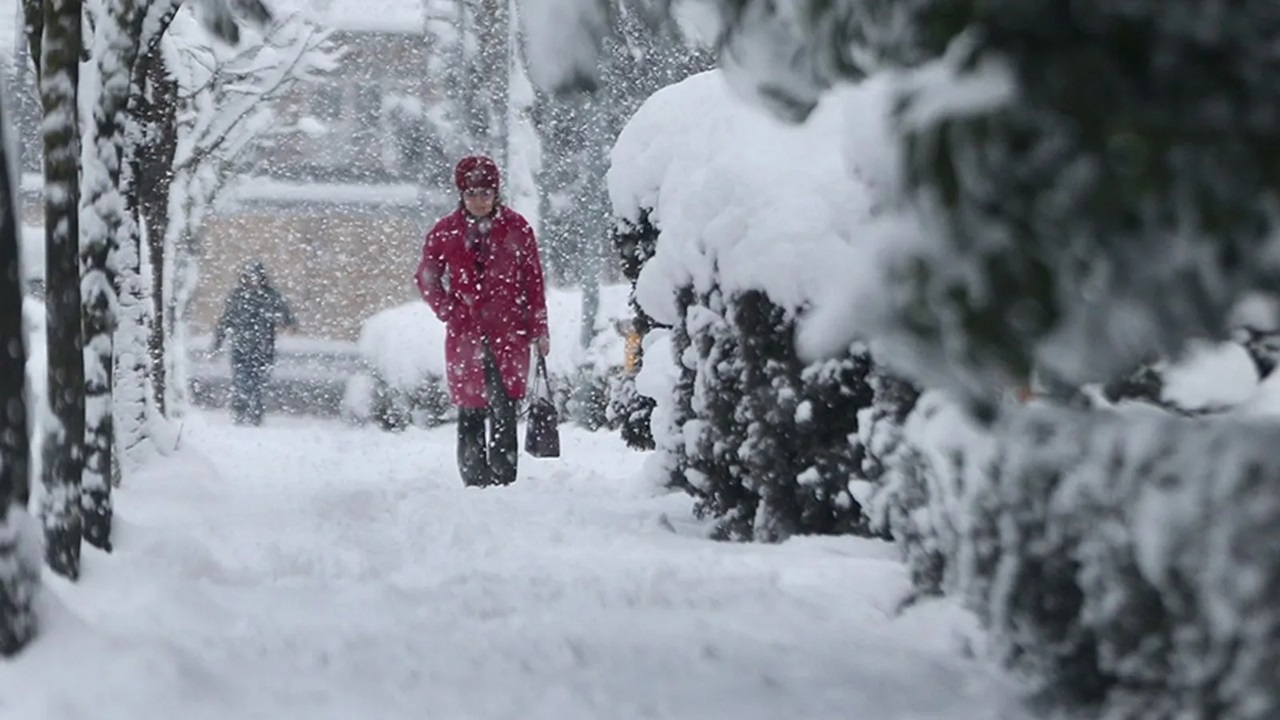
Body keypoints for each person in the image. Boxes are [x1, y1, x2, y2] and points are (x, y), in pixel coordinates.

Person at [415, 155, 550, 487]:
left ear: (496, 194)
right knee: (471, 407)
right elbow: (427, 277)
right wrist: (448, 310)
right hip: (466, 334)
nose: (479, 201)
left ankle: (504, 477)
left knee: (505, 406)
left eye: (485, 193)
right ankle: (474, 478)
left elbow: (533, 282)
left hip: (510, 331)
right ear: (461, 194)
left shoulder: (517, 229)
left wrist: (539, 327)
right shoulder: (445, 232)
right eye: (472, 193)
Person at [211, 260, 297, 425]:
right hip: (241, 347)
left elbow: (285, 316)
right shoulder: (237, 297)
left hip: (263, 348)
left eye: (256, 276)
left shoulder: (271, 296)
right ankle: (240, 411)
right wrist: (217, 342)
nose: (253, 280)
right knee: (241, 381)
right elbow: (225, 320)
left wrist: (288, 323)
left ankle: (254, 413)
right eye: (250, 276)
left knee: (258, 383)